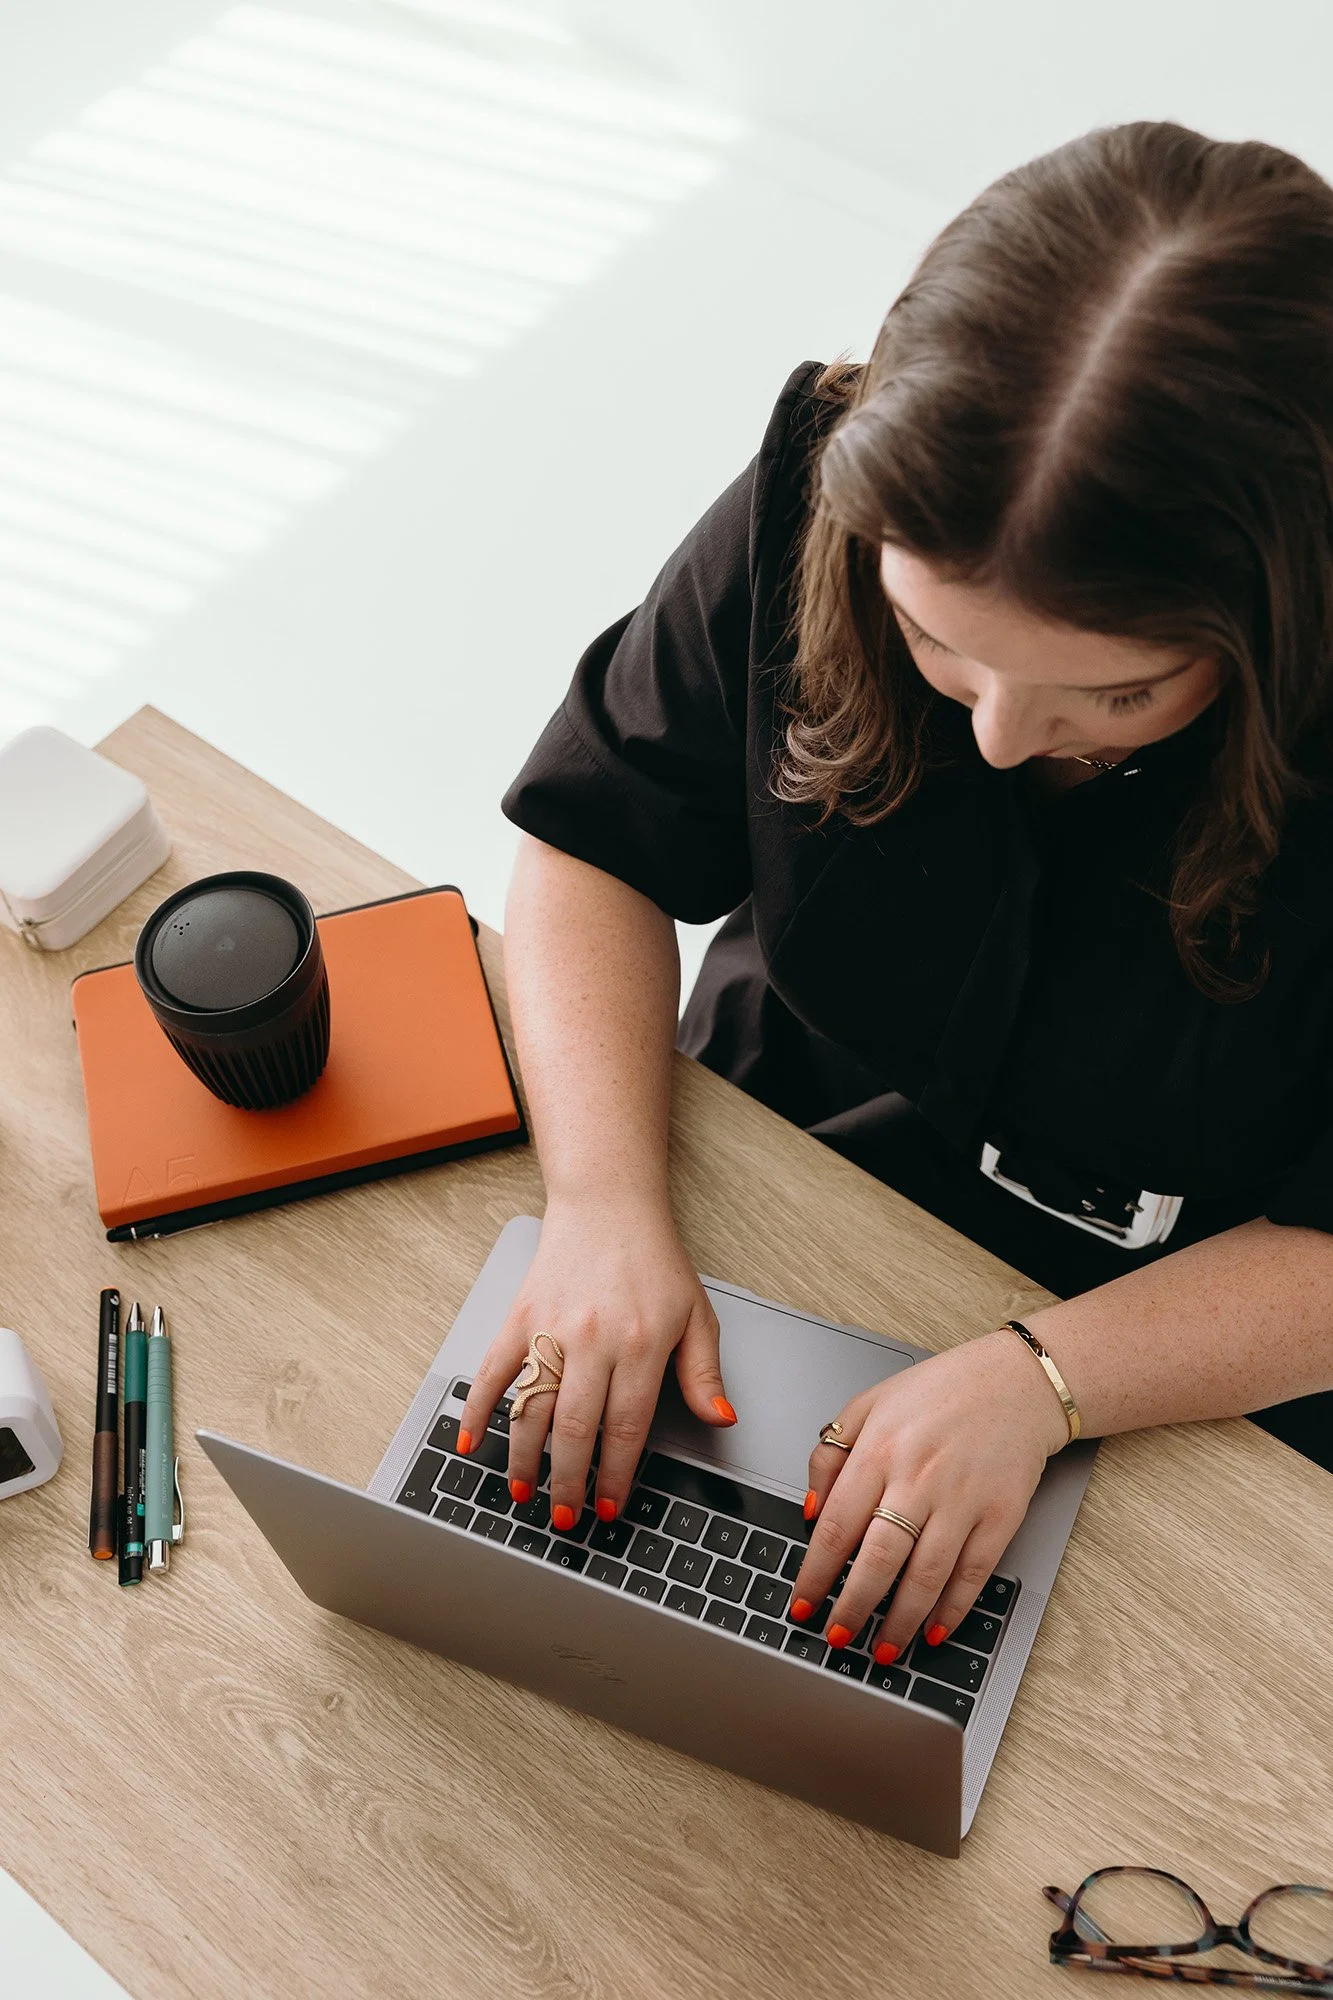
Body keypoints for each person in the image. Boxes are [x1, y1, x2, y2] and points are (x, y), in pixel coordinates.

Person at [459, 121, 1333, 1671]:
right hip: (762, 1173)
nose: (997, 735)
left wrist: (1043, 1383)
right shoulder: (827, 487)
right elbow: (597, 835)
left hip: (1175, 1339)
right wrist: (597, 1203)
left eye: (1114, 694)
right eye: (938, 641)